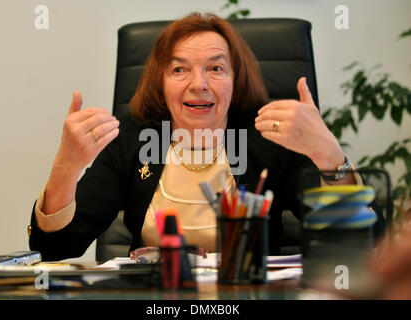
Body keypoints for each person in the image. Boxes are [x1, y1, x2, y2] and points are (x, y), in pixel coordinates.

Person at [29, 13, 361, 261]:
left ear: (235, 79)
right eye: (179, 69)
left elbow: (354, 238)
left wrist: (330, 155)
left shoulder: (267, 136)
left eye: (216, 69)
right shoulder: (135, 135)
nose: (198, 83)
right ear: (161, 82)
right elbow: (55, 247)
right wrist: (66, 167)